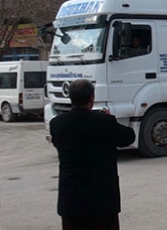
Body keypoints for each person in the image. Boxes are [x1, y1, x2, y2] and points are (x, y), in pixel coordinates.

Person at [50, 79, 135, 230]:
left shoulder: (57, 124)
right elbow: (128, 137)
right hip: (102, 202)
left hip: (71, 201)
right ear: (92, 98)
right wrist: (110, 119)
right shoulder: (104, 122)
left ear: (70, 98)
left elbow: (58, 143)